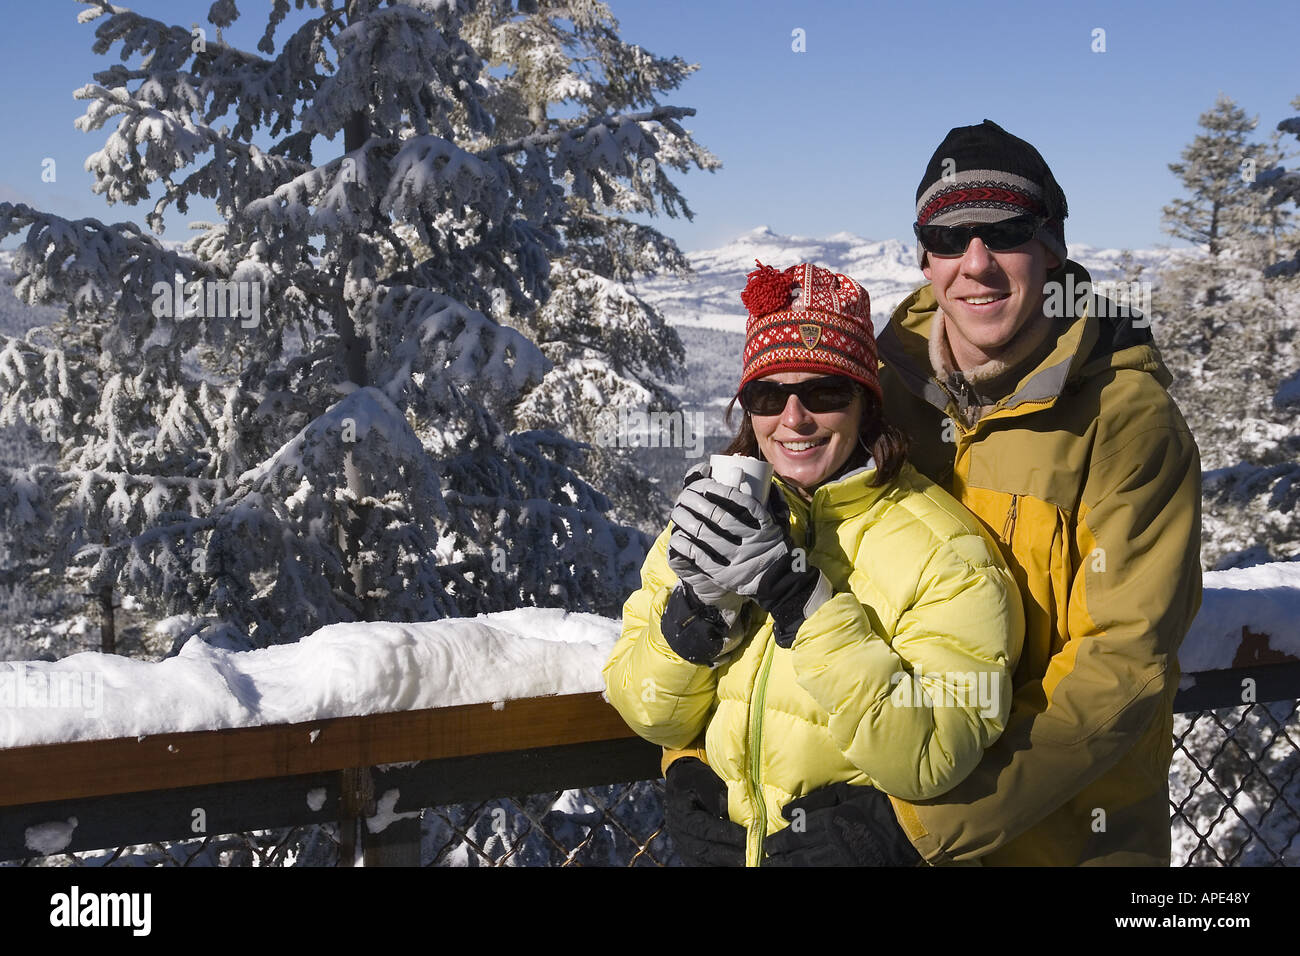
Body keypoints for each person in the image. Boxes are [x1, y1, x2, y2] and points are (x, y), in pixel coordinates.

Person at [662, 119, 1203, 866]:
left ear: (1052, 250)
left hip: (1059, 844)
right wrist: (699, 766)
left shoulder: (1127, 424)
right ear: (923, 256)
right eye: (947, 238)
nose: (974, 262)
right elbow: (759, 589)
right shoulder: (871, 392)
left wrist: (917, 828)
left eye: (1006, 232)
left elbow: (1120, 667)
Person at [602, 261, 1025, 867]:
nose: (794, 418)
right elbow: (648, 713)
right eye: (769, 394)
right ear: (747, 409)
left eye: (825, 392)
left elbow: (930, 756)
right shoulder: (710, 523)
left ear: (865, 405)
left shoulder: (947, 553)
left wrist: (805, 605)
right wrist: (700, 614)